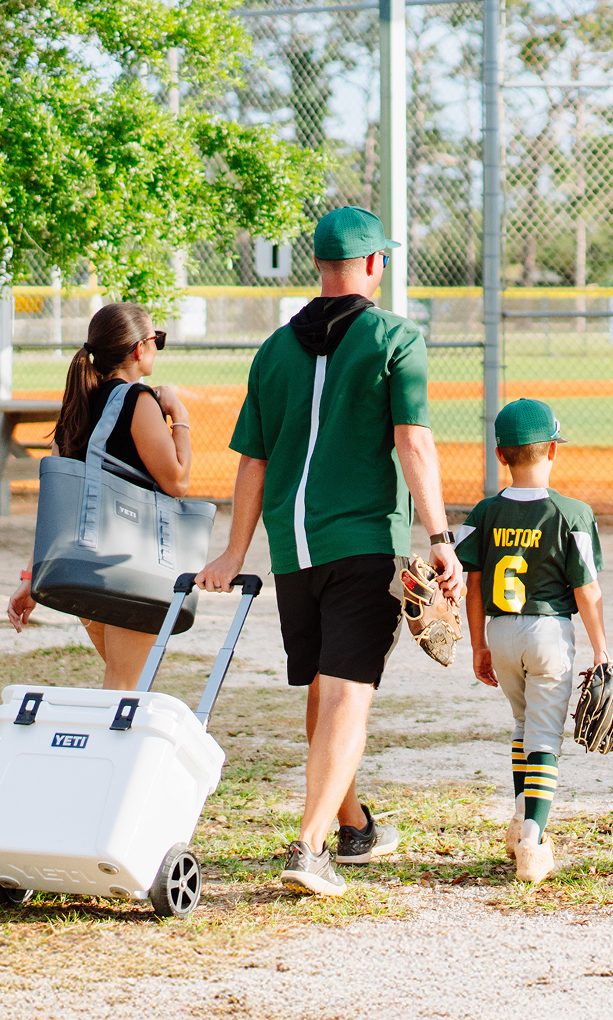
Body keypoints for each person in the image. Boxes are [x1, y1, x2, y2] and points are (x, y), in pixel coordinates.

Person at [196, 207, 462, 897]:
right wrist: (440, 539)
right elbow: (414, 442)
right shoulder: (395, 337)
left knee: (323, 684)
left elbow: (251, 461)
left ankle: (354, 827)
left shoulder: (275, 348)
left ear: (319, 265)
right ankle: (309, 846)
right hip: (363, 540)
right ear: (375, 264)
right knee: (347, 692)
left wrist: (232, 553)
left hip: (294, 550)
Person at [457, 398, 610, 884]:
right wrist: (602, 651)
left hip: (500, 631)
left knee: (523, 727)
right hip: (547, 630)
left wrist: (480, 644)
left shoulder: (484, 511)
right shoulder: (572, 512)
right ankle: (532, 839)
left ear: (501, 455)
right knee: (544, 738)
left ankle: (521, 818)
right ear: (553, 452)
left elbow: (473, 583)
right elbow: (587, 590)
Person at [7, 302, 192, 689]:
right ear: (139, 348)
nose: (158, 346)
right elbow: (177, 481)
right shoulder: (137, 401)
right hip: (128, 566)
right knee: (125, 687)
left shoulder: (76, 407)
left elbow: (57, 505)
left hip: (81, 567)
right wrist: (179, 416)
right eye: (157, 339)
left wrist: (30, 576)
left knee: (127, 681)